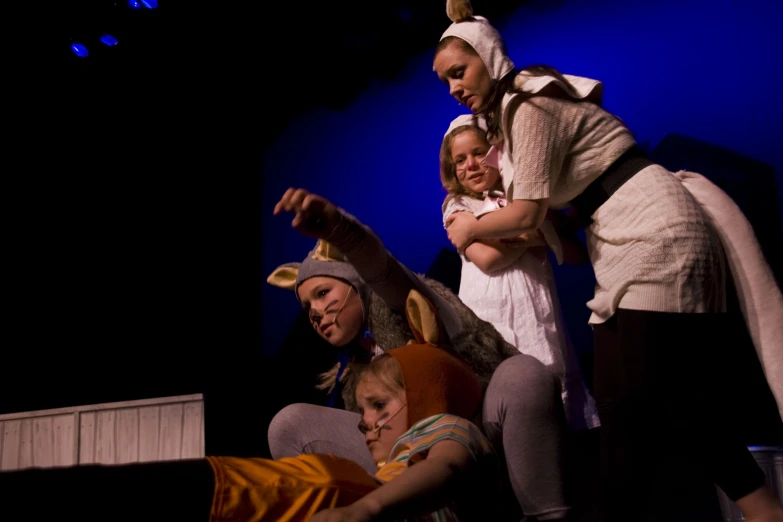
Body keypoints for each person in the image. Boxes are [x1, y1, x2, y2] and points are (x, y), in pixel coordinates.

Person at [432, 1, 783, 521]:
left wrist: (471, 227)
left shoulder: (527, 105)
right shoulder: (512, 122)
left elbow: (528, 214)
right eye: (446, 82)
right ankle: (765, 512)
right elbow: (559, 241)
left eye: (459, 72)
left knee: (637, 412)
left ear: (488, 56)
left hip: (654, 234)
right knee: (662, 408)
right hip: (626, 242)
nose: (455, 88)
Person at [268, 188, 571, 520]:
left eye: (323, 293)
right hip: (408, 459)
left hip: (478, 437)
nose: (314, 312)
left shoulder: (406, 303)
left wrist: (339, 230)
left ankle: (546, 515)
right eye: (307, 306)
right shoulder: (358, 368)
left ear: (358, 285)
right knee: (288, 424)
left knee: (523, 373)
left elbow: (381, 268)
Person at [0, 343, 503, 522]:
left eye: (377, 406)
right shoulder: (385, 466)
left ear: (421, 402)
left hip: (281, 494)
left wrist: (365, 507)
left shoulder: (444, 425)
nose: (362, 421)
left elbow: (451, 463)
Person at [440, 113, 599, 432]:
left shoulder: (526, 204)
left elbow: (577, 254)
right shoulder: (458, 206)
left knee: (554, 400)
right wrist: (535, 236)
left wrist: (536, 228)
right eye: (460, 159)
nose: (470, 164)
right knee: (510, 404)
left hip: (536, 314)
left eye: (477, 153)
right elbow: (486, 260)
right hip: (490, 318)